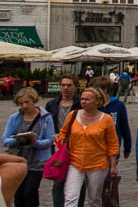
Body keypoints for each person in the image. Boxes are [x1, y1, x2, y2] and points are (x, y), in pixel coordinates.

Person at [55, 88, 119, 207]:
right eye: (82, 99)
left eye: (87, 99)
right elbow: (63, 132)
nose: (83, 102)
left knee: (94, 199)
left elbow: (112, 143)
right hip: (74, 162)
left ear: (97, 101)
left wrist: (113, 165)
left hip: (98, 164)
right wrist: (61, 142)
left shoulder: (106, 119)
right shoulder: (73, 115)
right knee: (70, 197)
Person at [2, 88, 56, 207]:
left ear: (34, 101)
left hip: (37, 160)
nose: (24, 106)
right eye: (21, 103)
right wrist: (16, 140)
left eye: (27, 102)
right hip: (19, 160)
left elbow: (50, 140)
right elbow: (5, 139)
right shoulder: (15, 118)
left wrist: (35, 143)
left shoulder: (45, 118)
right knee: (18, 194)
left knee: (30, 191)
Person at [45, 74, 85, 207]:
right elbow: (47, 124)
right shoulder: (52, 104)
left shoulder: (81, 103)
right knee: (58, 179)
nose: (65, 88)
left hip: (77, 145)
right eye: (63, 85)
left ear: (75, 87)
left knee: (79, 179)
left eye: (69, 85)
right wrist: (53, 135)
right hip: (58, 146)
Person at [88, 77, 131, 160]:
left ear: (105, 89)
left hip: (112, 147)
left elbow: (124, 127)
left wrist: (127, 148)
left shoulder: (118, 105)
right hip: (93, 147)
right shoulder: (91, 104)